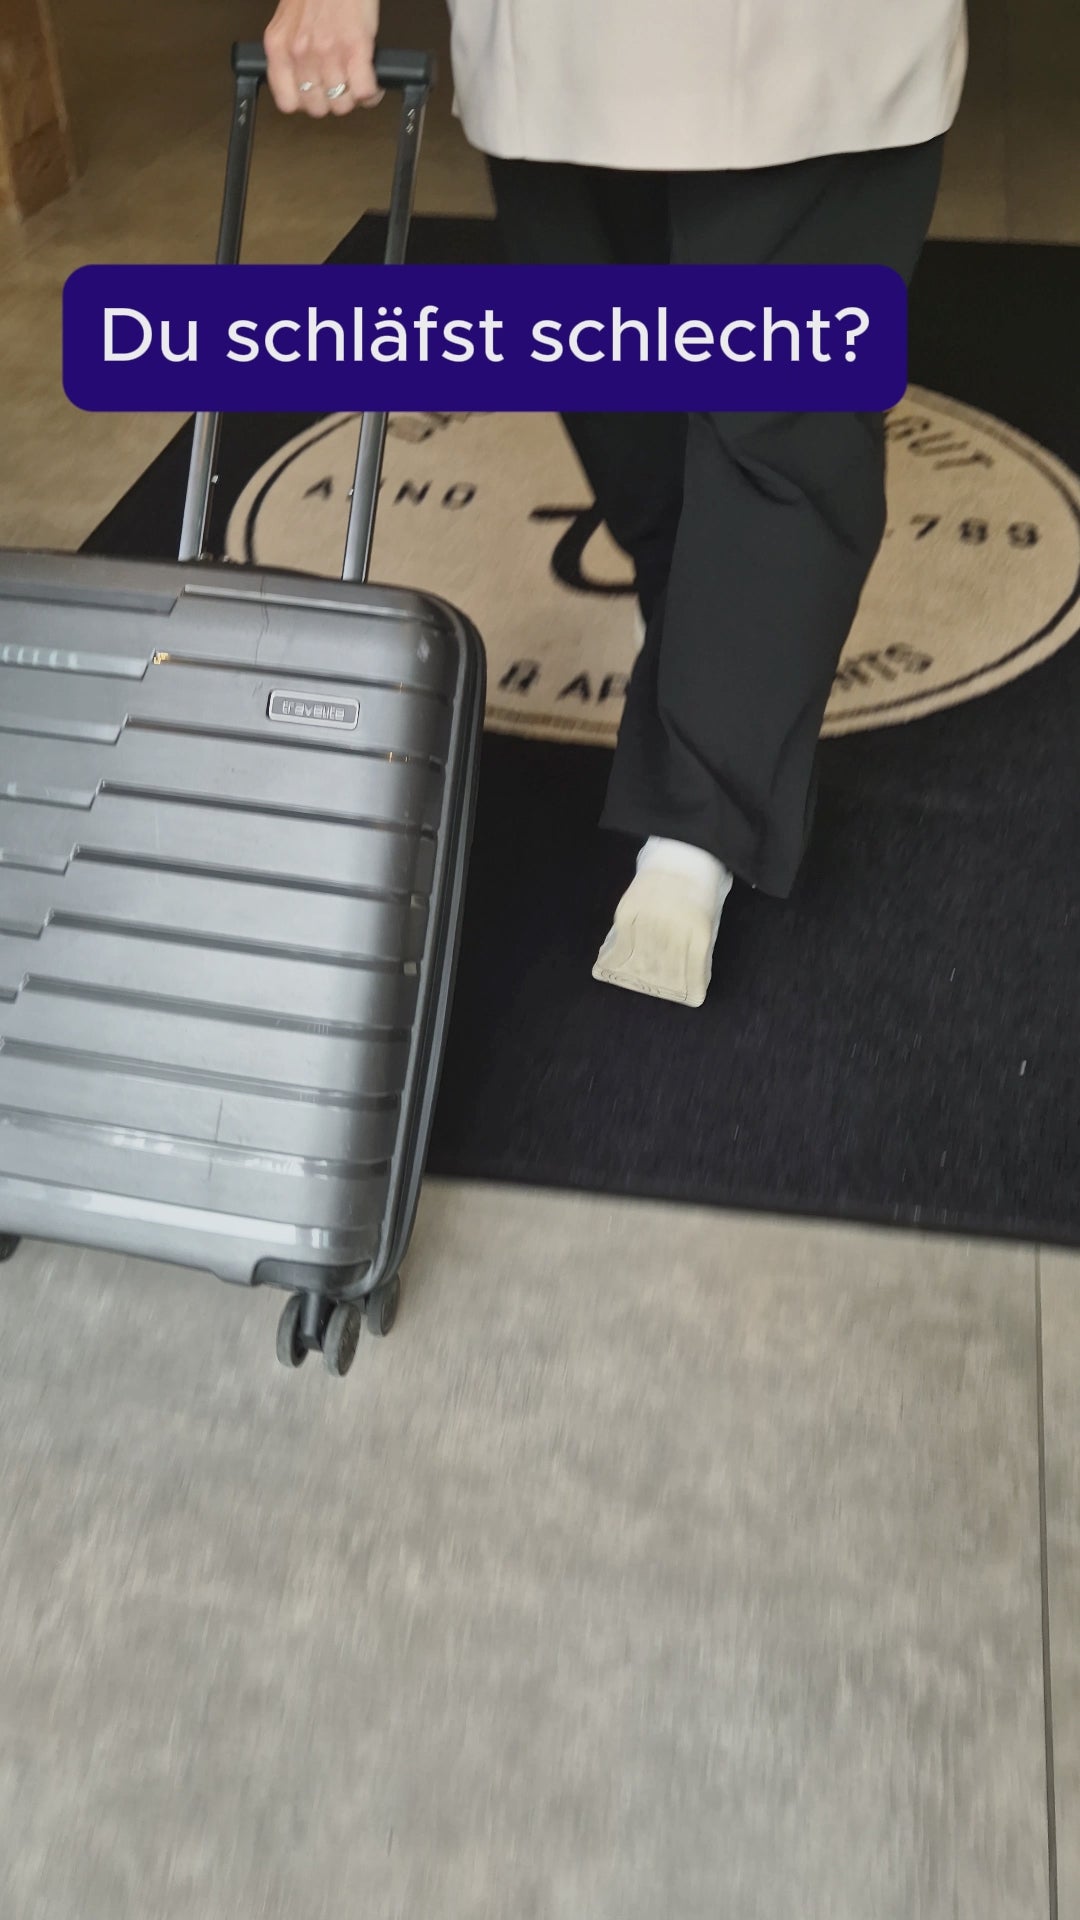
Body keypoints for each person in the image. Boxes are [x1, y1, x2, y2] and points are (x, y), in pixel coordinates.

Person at [261, 0, 968, 1007]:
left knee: (785, 411)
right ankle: (700, 641)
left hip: (824, 38)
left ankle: (694, 829)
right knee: (613, 375)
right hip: (562, 45)